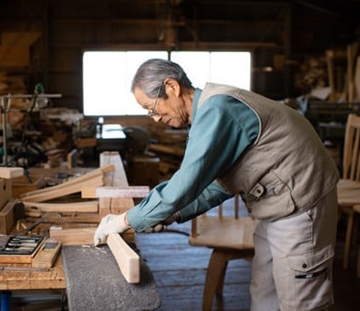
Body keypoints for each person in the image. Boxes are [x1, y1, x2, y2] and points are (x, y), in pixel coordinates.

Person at [94, 58, 339, 311]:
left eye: (152, 108)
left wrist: (125, 220)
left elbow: (185, 184)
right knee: (264, 291)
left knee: (300, 302)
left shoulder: (217, 109)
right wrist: (173, 214)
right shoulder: (208, 113)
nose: (154, 119)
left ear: (172, 87)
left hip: (301, 202)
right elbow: (219, 185)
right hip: (275, 205)